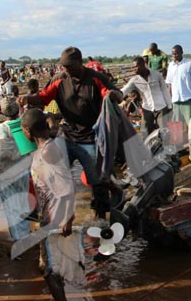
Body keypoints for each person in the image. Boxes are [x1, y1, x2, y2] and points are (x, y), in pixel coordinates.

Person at [18, 46, 122, 219]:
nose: (66, 69)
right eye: (64, 66)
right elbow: (43, 97)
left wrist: (112, 95)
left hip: (91, 137)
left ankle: (102, 215)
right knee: (56, 172)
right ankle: (55, 212)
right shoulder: (60, 79)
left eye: (70, 66)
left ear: (79, 63)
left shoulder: (95, 78)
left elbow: (117, 95)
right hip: (67, 136)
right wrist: (28, 98)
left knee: (96, 180)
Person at [21, 109, 80, 301]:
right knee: (48, 267)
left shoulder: (48, 152)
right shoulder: (48, 148)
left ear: (27, 131)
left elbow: (66, 185)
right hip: (48, 215)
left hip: (54, 217)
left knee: (50, 271)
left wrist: (68, 217)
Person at [0, 98, 31, 240]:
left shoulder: (0, 128)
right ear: (18, 110)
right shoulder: (24, 125)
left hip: (6, 172)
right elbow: (29, 146)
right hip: (22, 169)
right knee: (23, 202)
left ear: (2, 112)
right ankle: (26, 233)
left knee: (10, 205)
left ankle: (17, 236)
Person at [121, 56, 171, 135]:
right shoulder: (134, 80)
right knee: (145, 132)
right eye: (133, 67)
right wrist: (116, 93)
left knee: (164, 132)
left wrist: (169, 106)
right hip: (147, 108)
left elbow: (165, 90)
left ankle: (166, 147)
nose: (134, 69)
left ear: (143, 64)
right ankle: (147, 147)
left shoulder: (156, 75)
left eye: (136, 66)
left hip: (161, 107)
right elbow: (124, 90)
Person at [165, 45, 191, 126]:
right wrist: (169, 99)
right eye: (173, 54)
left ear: (182, 53)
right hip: (176, 100)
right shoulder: (170, 65)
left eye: (176, 54)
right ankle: (180, 138)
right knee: (177, 124)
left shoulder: (189, 63)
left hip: (187, 98)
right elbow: (169, 83)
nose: (174, 56)